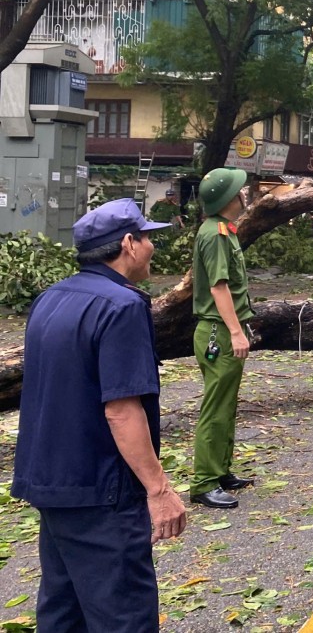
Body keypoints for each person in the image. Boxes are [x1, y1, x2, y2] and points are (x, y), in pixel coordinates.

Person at [12, 199, 186, 631]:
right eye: (147, 238)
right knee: (122, 616)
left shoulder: (51, 297)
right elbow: (122, 410)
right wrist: (158, 489)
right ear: (128, 244)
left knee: (64, 611)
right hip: (102, 490)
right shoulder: (123, 306)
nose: (152, 248)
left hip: (52, 482)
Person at [191, 168, 257, 509]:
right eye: (239, 191)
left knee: (227, 405)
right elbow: (219, 288)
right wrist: (235, 331)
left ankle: (220, 471)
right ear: (228, 199)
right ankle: (204, 481)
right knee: (216, 408)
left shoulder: (224, 230)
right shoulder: (216, 234)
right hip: (218, 331)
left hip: (222, 329)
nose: (244, 195)